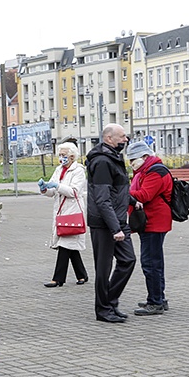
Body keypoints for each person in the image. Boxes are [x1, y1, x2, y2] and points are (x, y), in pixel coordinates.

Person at [86, 124, 136, 324]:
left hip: (118, 219)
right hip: (104, 223)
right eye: (122, 137)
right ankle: (103, 309)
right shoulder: (102, 162)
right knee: (103, 268)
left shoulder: (115, 158)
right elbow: (102, 199)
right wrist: (115, 228)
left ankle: (110, 300)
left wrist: (132, 201)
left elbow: (117, 189)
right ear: (108, 139)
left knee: (128, 260)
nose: (126, 140)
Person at [125, 141, 173, 316]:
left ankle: (155, 302)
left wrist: (123, 192)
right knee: (155, 261)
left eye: (133, 159)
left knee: (150, 263)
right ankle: (158, 297)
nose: (131, 163)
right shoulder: (147, 170)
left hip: (155, 221)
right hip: (152, 221)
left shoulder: (156, 172)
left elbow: (145, 195)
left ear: (145, 157)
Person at [38, 141, 89, 288]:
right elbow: (52, 192)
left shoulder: (78, 171)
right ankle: (82, 274)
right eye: (60, 155)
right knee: (69, 245)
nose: (61, 158)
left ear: (72, 156)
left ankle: (58, 279)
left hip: (72, 211)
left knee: (65, 244)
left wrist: (58, 186)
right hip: (61, 212)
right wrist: (44, 189)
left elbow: (74, 192)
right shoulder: (59, 169)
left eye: (64, 155)